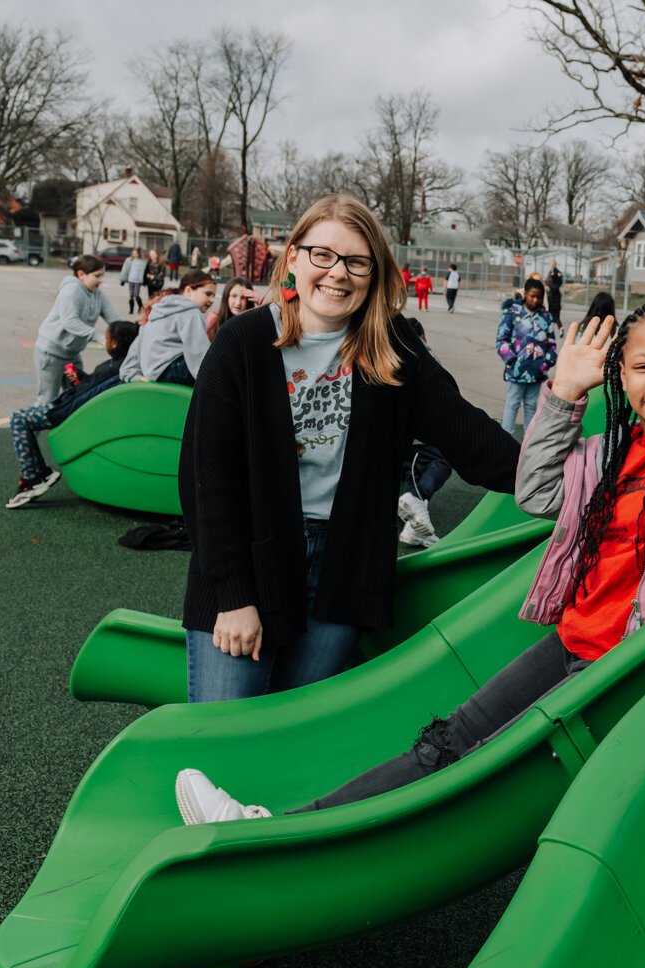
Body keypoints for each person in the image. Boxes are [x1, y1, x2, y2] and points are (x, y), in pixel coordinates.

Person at [171, 299, 645, 823]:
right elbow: (538, 490)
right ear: (619, 377)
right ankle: (276, 827)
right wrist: (563, 395)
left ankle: (280, 833)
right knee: (445, 741)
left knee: (480, 772)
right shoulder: (607, 453)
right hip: (572, 643)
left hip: (625, 662)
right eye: (644, 367)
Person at [177, 192, 519, 704]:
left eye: (356, 261)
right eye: (323, 255)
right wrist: (234, 596)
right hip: (249, 559)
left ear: (374, 272)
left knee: (299, 731)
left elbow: (470, 438)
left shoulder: (390, 345)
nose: (338, 273)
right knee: (226, 734)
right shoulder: (244, 343)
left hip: (342, 566)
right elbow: (206, 479)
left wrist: (573, 472)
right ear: (293, 257)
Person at [5, 321, 141, 508]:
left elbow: (90, 394)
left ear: (115, 344)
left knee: (18, 419)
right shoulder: (120, 365)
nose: (105, 342)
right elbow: (93, 388)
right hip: (74, 404)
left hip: (69, 409)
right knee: (21, 418)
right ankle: (38, 473)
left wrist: (58, 410)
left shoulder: (115, 368)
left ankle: (32, 477)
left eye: (107, 338)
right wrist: (78, 377)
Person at [32, 255, 120, 406]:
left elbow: (114, 317)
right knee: (47, 400)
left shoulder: (97, 293)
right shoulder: (71, 291)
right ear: (81, 275)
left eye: (102, 275)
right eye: (97, 276)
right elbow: (70, 322)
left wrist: (132, 332)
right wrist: (100, 338)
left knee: (78, 396)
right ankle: (30, 426)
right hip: (51, 353)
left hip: (72, 355)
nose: (101, 280)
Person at [396, 319, 450, 549]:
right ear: (421, 334)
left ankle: (415, 530)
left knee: (413, 474)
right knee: (441, 462)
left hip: (405, 433)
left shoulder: (394, 352)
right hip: (420, 433)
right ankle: (415, 502)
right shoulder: (424, 355)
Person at [120, 268, 215, 385]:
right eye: (208, 294)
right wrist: (212, 381)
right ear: (189, 290)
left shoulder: (156, 312)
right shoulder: (191, 312)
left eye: (214, 296)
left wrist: (132, 374)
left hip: (153, 372)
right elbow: (199, 351)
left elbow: (138, 346)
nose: (212, 300)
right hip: (174, 369)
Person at [496, 278, 556, 434]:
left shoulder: (546, 316)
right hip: (517, 371)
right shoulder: (512, 312)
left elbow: (551, 342)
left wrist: (547, 362)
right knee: (512, 403)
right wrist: (512, 361)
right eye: (532, 296)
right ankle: (506, 438)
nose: (535, 300)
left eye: (539, 297)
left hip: (537, 373)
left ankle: (529, 441)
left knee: (531, 406)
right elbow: (502, 339)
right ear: (525, 294)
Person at [205, 276, 256, 341]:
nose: (238, 303)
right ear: (226, 297)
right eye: (234, 296)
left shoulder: (252, 324)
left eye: (243, 298)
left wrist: (260, 303)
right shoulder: (214, 320)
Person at [119, 247, 146, 314]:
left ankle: (140, 306)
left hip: (138, 281)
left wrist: (144, 281)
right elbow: (125, 270)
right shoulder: (129, 260)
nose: (135, 255)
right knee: (131, 295)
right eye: (133, 253)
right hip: (130, 280)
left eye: (136, 253)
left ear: (139, 254)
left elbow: (145, 272)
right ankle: (131, 309)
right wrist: (122, 279)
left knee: (136, 295)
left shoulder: (142, 261)